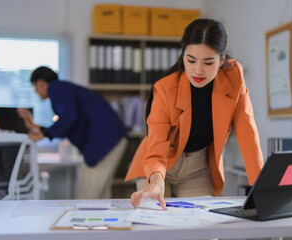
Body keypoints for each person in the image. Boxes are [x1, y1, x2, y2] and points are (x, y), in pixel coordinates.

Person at [125, 19, 264, 209]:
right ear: (183, 56)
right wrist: (156, 180)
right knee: (154, 223)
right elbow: (156, 145)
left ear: (221, 60)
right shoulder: (165, 88)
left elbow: (247, 132)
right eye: (191, 60)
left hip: (196, 167)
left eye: (208, 62)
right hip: (157, 163)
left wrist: (261, 186)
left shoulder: (234, 78)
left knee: (204, 227)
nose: (198, 70)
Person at [19, 66, 128, 199]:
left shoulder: (55, 88)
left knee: (87, 197)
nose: (36, 92)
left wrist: (45, 134)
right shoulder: (66, 89)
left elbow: (69, 116)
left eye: (34, 87)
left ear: (41, 83)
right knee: (101, 196)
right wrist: (41, 129)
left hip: (104, 142)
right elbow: (69, 123)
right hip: (113, 138)